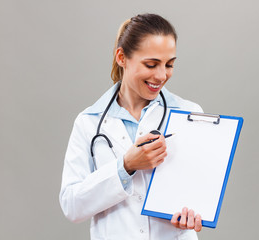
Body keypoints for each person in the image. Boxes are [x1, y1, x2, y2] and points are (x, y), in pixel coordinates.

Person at [59, 13, 203, 240]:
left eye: (169, 64)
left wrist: (196, 212)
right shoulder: (89, 122)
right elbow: (72, 206)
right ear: (121, 57)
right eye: (151, 64)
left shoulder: (189, 115)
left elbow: (200, 192)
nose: (161, 75)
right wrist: (125, 166)